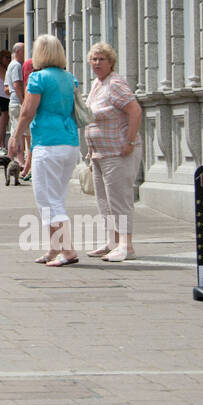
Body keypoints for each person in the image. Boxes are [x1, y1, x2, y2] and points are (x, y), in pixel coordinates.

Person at [9, 34, 80, 267]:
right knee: (57, 196)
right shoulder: (70, 78)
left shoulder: (38, 78)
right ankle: (54, 248)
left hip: (48, 143)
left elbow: (28, 111)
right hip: (68, 141)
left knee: (48, 200)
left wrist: (16, 135)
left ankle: (68, 251)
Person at [84, 42, 143, 262]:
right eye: (94, 59)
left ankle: (126, 245)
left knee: (120, 199)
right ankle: (112, 241)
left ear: (111, 62)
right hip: (100, 153)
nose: (97, 63)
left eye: (102, 59)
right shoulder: (98, 84)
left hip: (118, 152)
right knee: (104, 200)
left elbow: (135, 110)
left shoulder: (115, 84)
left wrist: (129, 141)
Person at [6, 42, 30, 184]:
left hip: (13, 102)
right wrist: (23, 101)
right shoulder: (16, 65)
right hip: (17, 102)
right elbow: (16, 84)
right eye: (24, 51)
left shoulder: (11, 65)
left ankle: (12, 159)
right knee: (19, 133)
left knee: (15, 131)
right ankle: (18, 161)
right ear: (19, 52)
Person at [0, 49, 13, 155]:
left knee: (4, 123)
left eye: (10, 57)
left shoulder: (6, 67)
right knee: (1, 123)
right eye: (6, 57)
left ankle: (2, 145)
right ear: (1, 58)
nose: (9, 60)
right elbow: (7, 78)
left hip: (6, 98)